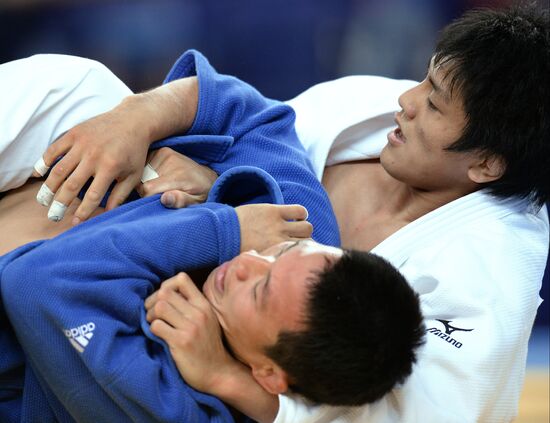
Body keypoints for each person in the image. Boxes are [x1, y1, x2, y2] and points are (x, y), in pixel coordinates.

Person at [25, 5, 548, 423]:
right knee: (83, 87)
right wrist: (136, 118)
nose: (406, 100)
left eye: (434, 106)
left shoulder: (489, 275)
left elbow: (421, 410)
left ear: (486, 163)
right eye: (426, 83)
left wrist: (227, 380)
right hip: (115, 246)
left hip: (129, 329)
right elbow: (244, 119)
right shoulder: (369, 111)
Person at [0, 50, 424, 422]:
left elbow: (34, 281)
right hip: (35, 201)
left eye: (259, 291)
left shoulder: (173, 405)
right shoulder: (300, 230)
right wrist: (137, 124)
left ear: (268, 375)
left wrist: (220, 227)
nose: (249, 263)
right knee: (89, 89)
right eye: (283, 253)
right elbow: (251, 111)